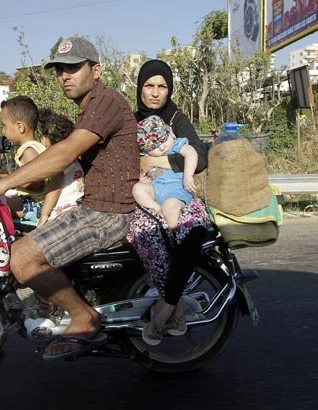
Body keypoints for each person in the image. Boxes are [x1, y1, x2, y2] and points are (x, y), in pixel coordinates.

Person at [0, 36, 139, 360]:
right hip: (93, 204)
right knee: (27, 235)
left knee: (21, 258)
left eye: (74, 67)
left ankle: (84, 316)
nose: (65, 75)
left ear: (96, 70)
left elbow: (63, 154)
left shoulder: (105, 102)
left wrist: (4, 184)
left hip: (107, 212)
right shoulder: (89, 108)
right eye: (61, 69)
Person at [127, 59, 211, 346]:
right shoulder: (129, 120)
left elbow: (200, 153)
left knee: (192, 230)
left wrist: (155, 160)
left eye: (162, 86)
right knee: (147, 236)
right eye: (149, 85)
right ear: (140, 88)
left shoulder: (177, 118)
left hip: (178, 191)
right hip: (149, 194)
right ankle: (179, 306)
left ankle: (166, 305)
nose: (155, 92)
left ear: (169, 89)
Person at [132, 115, 198, 230]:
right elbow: (147, 174)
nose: (162, 147)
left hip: (176, 190)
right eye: (154, 147)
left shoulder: (176, 145)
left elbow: (191, 153)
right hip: (156, 189)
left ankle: (174, 233)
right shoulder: (146, 157)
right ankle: (157, 208)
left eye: (163, 140)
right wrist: (143, 181)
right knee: (137, 188)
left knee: (170, 207)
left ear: (171, 133)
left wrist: (188, 175)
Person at [0, 96, 47, 222]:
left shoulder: (28, 150)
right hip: (34, 202)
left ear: (20, 127)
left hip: (35, 204)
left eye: (5, 126)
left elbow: (36, 182)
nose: (4, 131)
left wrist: (7, 176)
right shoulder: (37, 146)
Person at [36, 108, 84, 227]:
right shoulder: (74, 159)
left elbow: (55, 189)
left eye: (42, 136)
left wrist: (44, 215)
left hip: (62, 212)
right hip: (76, 210)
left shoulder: (58, 162)